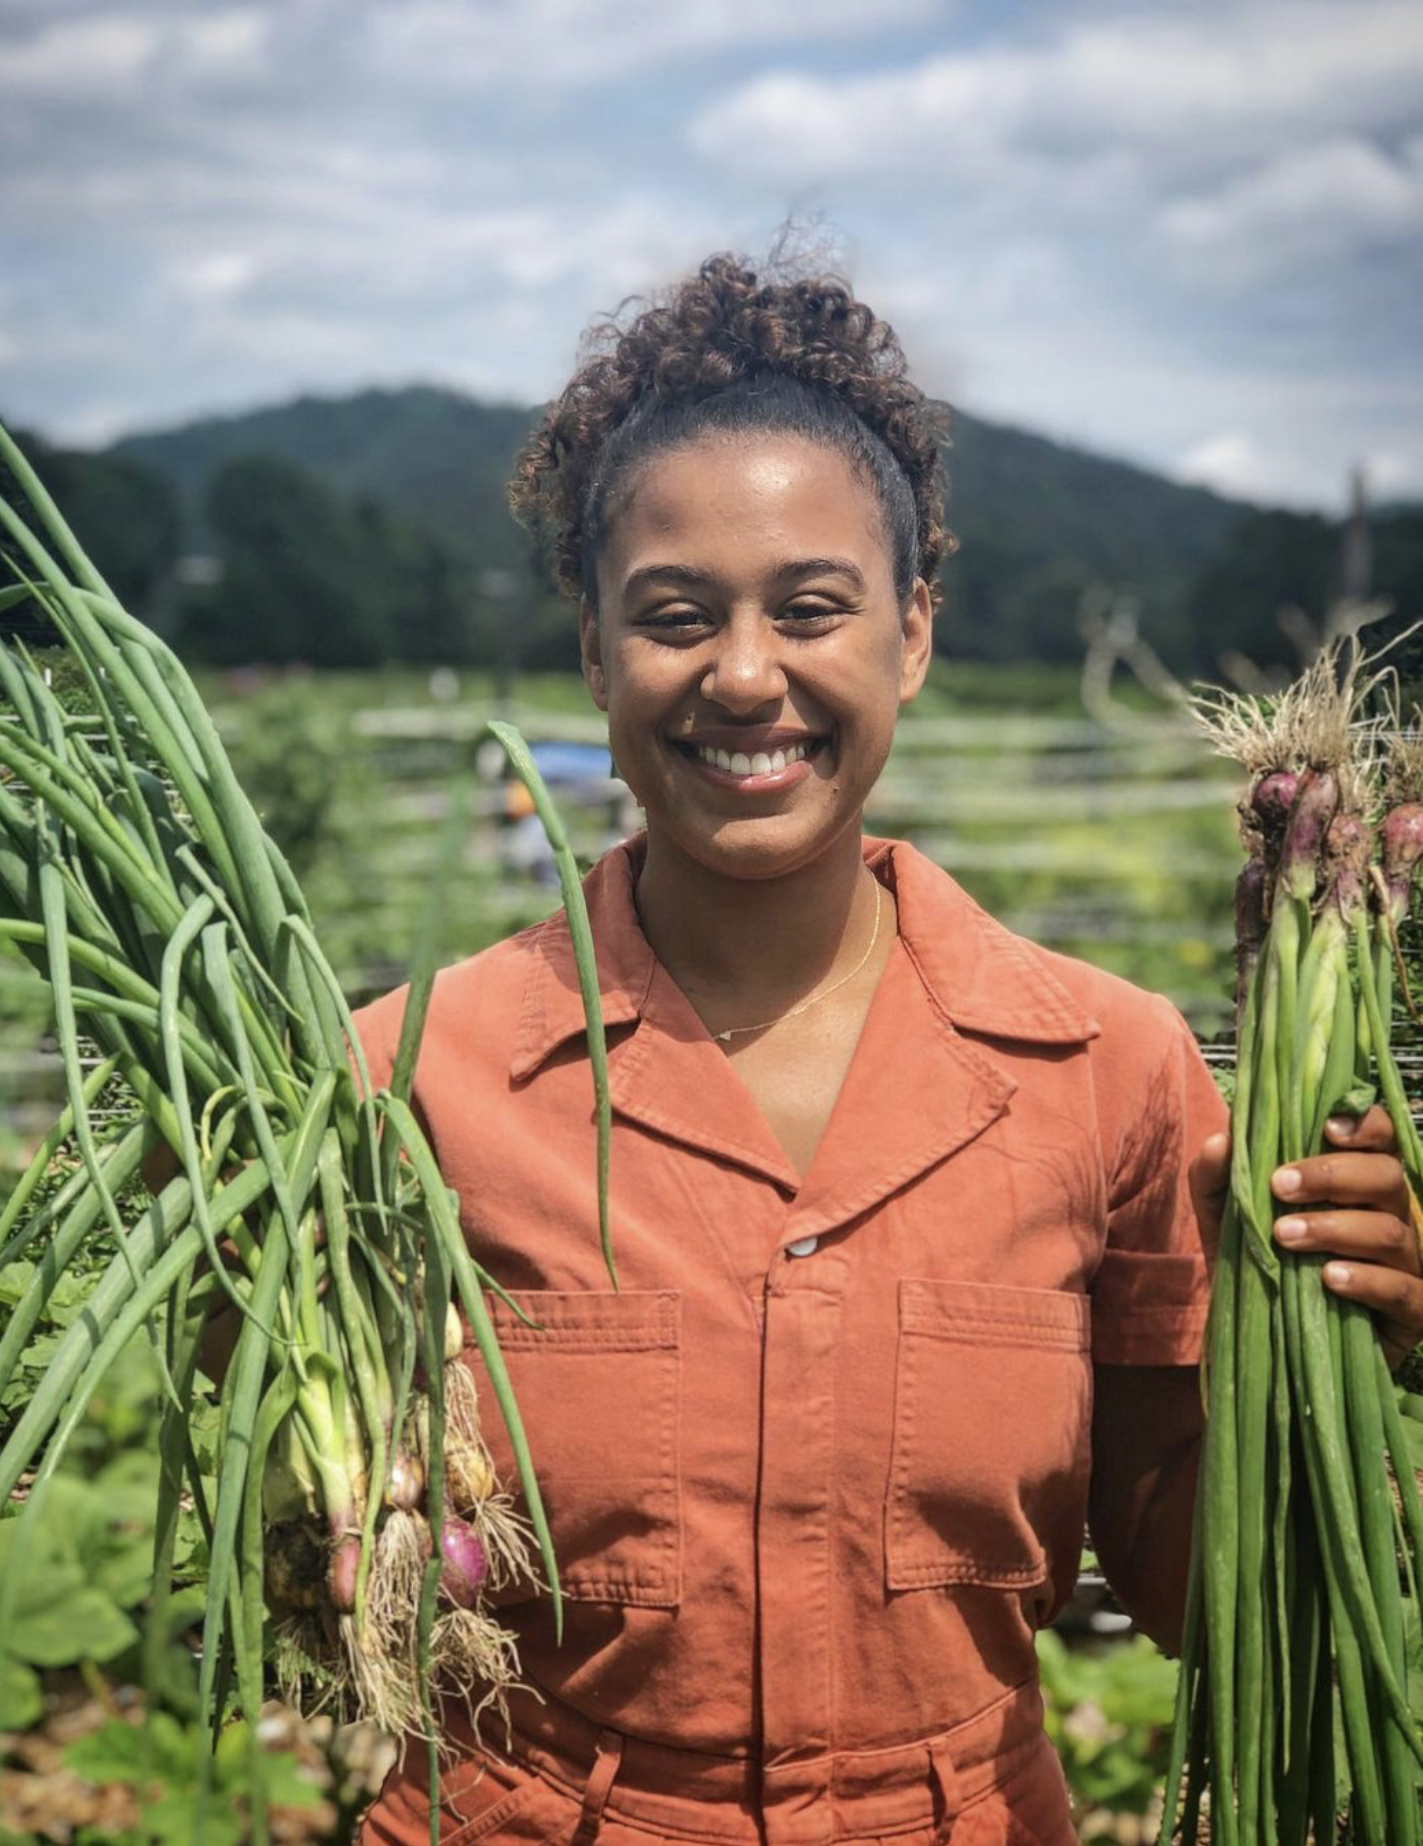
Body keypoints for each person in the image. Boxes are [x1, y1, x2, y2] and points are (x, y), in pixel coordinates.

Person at [352, 253, 1423, 1845]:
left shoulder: (1107, 1071)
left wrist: (1359, 1353)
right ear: (592, 652)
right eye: (670, 616)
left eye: (810, 607)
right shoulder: (409, 1077)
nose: (741, 672)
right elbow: (321, 1550)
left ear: (911, 632)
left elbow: (1194, 1584)